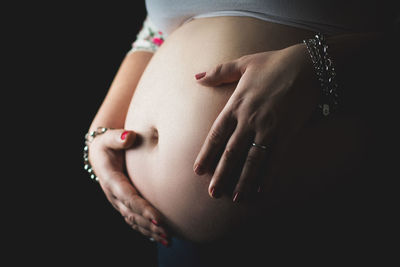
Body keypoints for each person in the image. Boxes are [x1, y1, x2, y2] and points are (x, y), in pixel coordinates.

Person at [84, 1, 399, 266]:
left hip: (318, 222)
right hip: (172, 241)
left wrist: (315, 66)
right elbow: (157, 25)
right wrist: (102, 127)